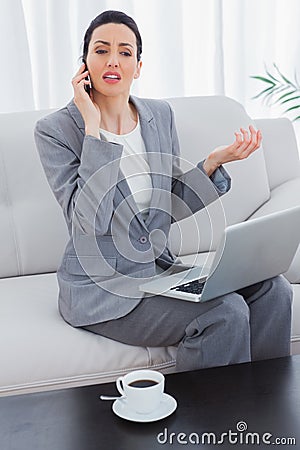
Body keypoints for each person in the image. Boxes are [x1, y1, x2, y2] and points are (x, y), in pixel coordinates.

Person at [34, 10, 292, 371]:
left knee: (274, 291)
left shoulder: (159, 115)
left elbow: (166, 205)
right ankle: (212, 421)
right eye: (101, 50)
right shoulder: (56, 131)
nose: (113, 61)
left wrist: (213, 164)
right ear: (84, 63)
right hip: (103, 289)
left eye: (125, 52)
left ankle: (265, 408)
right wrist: (94, 130)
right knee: (225, 314)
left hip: (158, 271)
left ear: (138, 67)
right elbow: (89, 224)